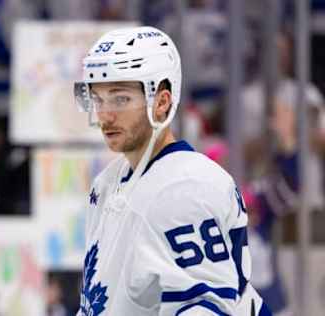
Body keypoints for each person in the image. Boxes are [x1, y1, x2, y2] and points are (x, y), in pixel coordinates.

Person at [73, 26, 271, 315]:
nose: (105, 114)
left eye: (120, 98)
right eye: (98, 98)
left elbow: (204, 308)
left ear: (162, 102)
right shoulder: (107, 183)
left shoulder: (186, 188)